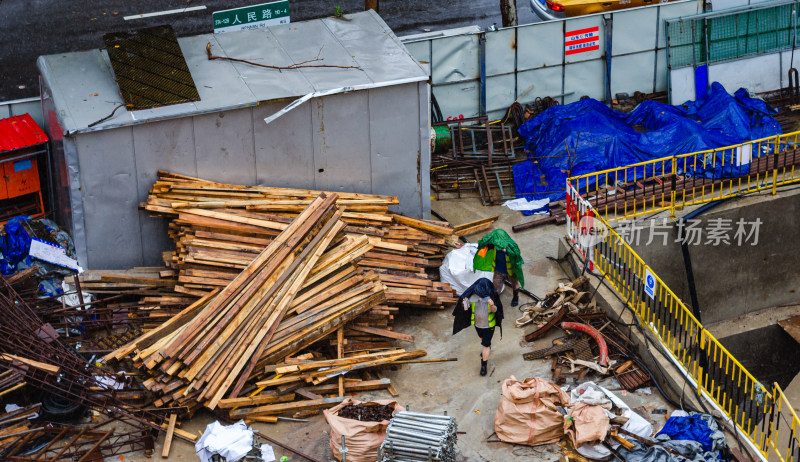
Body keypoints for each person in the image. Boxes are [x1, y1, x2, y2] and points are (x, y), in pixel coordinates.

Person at [452, 278, 504, 376]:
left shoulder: (490, 297)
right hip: (478, 325)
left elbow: (496, 310)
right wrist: (465, 302)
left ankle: (483, 365)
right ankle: (486, 345)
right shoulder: (473, 297)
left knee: (485, 345)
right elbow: (466, 309)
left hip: (489, 326)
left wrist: (492, 305)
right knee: (482, 339)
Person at [473, 229, 524, 307]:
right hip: (498, 270)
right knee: (496, 287)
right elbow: (483, 243)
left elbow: (516, 256)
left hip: (511, 271)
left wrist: (506, 251)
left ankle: (515, 297)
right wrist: (485, 240)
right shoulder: (494, 245)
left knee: (515, 285)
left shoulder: (511, 245)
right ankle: (495, 300)